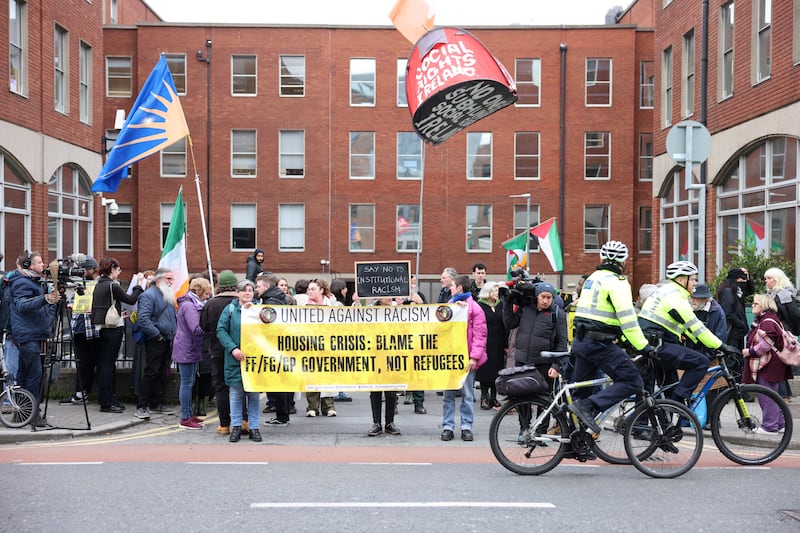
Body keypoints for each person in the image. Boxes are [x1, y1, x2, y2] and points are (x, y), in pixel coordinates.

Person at [569, 241, 654, 433]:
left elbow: (600, 315)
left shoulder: (593, 278)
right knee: (632, 381)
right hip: (598, 344)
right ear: (623, 262)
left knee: (580, 393)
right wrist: (644, 346)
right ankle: (589, 407)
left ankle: (574, 441)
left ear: (601, 258)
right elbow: (628, 319)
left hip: (581, 341)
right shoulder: (618, 282)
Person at [638, 261, 739, 403]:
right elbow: (697, 327)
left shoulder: (666, 292)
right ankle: (680, 401)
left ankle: (670, 416)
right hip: (658, 344)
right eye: (692, 279)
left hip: (653, 343)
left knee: (668, 387)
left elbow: (687, 329)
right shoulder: (676, 298)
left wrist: (704, 343)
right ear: (681, 280)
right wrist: (722, 346)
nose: (695, 283)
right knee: (701, 362)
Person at [8, 251, 61, 422]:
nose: (43, 265)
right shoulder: (22, 282)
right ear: (29, 266)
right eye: (39, 262)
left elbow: (43, 309)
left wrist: (51, 301)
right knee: (35, 375)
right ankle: (32, 415)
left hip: (32, 334)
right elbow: (22, 305)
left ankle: (21, 413)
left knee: (24, 375)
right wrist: (45, 298)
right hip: (27, 335)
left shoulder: (33, 281)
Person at [90, 257, 144, 413]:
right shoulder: (113, 285)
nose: (119, 272)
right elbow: (131, 299)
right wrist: (138, 285)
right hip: (114, 328)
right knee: (108, 366)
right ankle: (107, 403)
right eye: (118, 269)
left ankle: (107, 398)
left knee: (105, 364)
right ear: (112, 269)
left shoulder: (99, 284)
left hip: (102, 327)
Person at [441, 275, 487, 442]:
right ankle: (448, 426)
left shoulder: (474, 308)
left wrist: (474, 358)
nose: (449, 288)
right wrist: (453, 307)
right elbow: (439, 325)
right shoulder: (451, 306)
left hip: (467, 359)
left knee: (467, 395)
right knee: (449, 394)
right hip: (450, 358)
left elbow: (480, 336)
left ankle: (466, 427)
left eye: (452, 286)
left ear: (460, 288)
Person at [503, 280, 568, 395]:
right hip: (522, 362)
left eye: (549, 298)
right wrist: (508, 301)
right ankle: (524, 414)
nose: (545, 301)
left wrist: (556, 366)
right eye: (543, 297)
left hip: (544, 365)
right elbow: (510, 324)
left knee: (544, 401)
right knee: (522, 399)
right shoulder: (525, 308)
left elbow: (562, 342)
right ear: (537, 296)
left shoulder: (558, 314)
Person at [217, 279, 262, 443]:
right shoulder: (229, 310)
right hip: (235, 358)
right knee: (236, 394)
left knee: (254, 395)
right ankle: (236, 426)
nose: (248, 292)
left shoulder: (260, 309)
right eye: (244, 290)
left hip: (255, 358)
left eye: (250, 290)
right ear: (238, 293)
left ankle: (254, 427)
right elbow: (221, 330)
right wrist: (233, 348)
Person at [200, 269, 244, 436]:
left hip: (218, 351)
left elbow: (203, 326)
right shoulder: (241, 301)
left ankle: (224, 424)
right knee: (241, 386)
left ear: (219, 285)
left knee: (221, 387)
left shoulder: (211, 304)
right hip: (239, 351)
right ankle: (244, 422)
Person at [742, 294, 792, 434]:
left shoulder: (767, 322)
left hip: (768, 364)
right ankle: (780, 423)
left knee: (766, 395)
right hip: (771, 363)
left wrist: (749, 352)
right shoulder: (766, 320)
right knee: (772, 394)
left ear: (764, 305)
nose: (752, 305)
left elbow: (766, 345)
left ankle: (770, 426)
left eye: (755, 303)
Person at [133, 268, 178, 419]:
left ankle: (155, 403)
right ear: (158, 279)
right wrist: (157, 336)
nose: (171, 282)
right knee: (151, 372)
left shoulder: (166, 295)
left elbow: (171, 317)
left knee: (159, 373)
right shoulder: (148, 295)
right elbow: (143, 319)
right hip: (156, 340)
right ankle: (142, 406)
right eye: (168, 279)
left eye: (172, 279)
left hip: (166, 339)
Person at [255, 273, 295, 428]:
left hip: (274, 347)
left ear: (266, 286)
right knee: (283, 382)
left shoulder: (270, 301)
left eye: (258, 286)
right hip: (285, 345)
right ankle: (283, 414)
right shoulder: (284, 298)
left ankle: (281, 417)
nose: (256, 289)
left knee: (277, 382)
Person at [60, 257, 101, 406]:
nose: (82, 272)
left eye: (85, 270)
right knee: (82, 363)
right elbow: (72, 300)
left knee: (98, 363)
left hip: (93, 330)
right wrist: (70, 305)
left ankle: (103, 396)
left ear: (93, 270)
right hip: (78, 328)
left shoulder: (98, 285)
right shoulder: (80, 284)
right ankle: (80, 394)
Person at [172, 277, 212, 429]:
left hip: (189, 347)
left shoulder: (191, 303)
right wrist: (212, 329)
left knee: (189, 383)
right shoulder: (189, 306)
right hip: (187, 348)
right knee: (187, 384)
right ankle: (185, 418)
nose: (208, 296)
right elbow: (196, 329)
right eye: (206, 293)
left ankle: (188, 414)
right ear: (199, 290)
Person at [367, 297, 402, 436]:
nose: (389, 297)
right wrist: (357, 303)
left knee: (391, 390)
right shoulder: (371, 310)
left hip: (392, 353)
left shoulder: (398, 308)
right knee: (375, 390)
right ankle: (376, 423)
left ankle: (389, 422)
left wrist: (401, 309)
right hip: (374, 353)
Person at [764, 267, 798, 402]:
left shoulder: (783, 295)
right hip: (778, 331)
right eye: (766, 278)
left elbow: (794, 314)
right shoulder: (774, 294)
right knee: (780, 362)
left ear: (777, 279)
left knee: (777, 362)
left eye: (769, 278)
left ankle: (783, 395)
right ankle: (785, 394)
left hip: (780, 332)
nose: (766, 281)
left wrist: (791, 330)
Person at [303, 279, 337, 417]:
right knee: (311, 374)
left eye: (313, 289)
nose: (309, 292)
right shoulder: (303, 305)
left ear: (321, 290)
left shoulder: (332, 304)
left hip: (328, 344)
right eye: (309, 289)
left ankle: (328, 406)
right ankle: (312, 407)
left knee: (327, 374)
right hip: (310, 344)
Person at [476, 282, 507, 409]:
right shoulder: (480, 306)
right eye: (494, 291)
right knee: (485, 370)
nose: (497, 293)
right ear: (487, 292)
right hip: (485, 342)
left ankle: (493, 397)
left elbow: (504, 324)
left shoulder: (501, 305)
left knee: (496, 370)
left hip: (499, 342)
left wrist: (505, 344)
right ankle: (484, 397)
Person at [716, 267, 755, 351]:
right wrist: (741, 324)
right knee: (733, 356)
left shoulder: (737, 292)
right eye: (742, 280)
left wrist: (748, 278)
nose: (744, 283)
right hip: (733, 332)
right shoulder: (728, 292)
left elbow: (750, 290)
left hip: (739, 331)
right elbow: (728, 312)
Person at [329, 279, 354, 403]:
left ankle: (338, 390)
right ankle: (337, 391)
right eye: (344, 288)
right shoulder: (337, 304)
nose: (346, 290)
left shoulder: (337, 302)